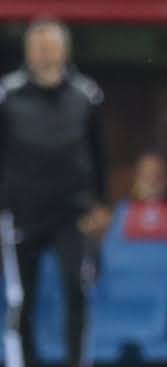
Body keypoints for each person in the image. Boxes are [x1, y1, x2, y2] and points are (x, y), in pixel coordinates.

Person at [0, 18, 110, 367]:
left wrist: (101, 203)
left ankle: (77, 361)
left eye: (51, 47)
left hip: (73, 214)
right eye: (38, 48)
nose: (45, 54)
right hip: (21, 213)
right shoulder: (7, 95)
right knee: (22, 299)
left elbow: (99, 153)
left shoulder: (86, 94)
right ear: (27, 52)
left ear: (65, 51)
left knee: (77, 292)